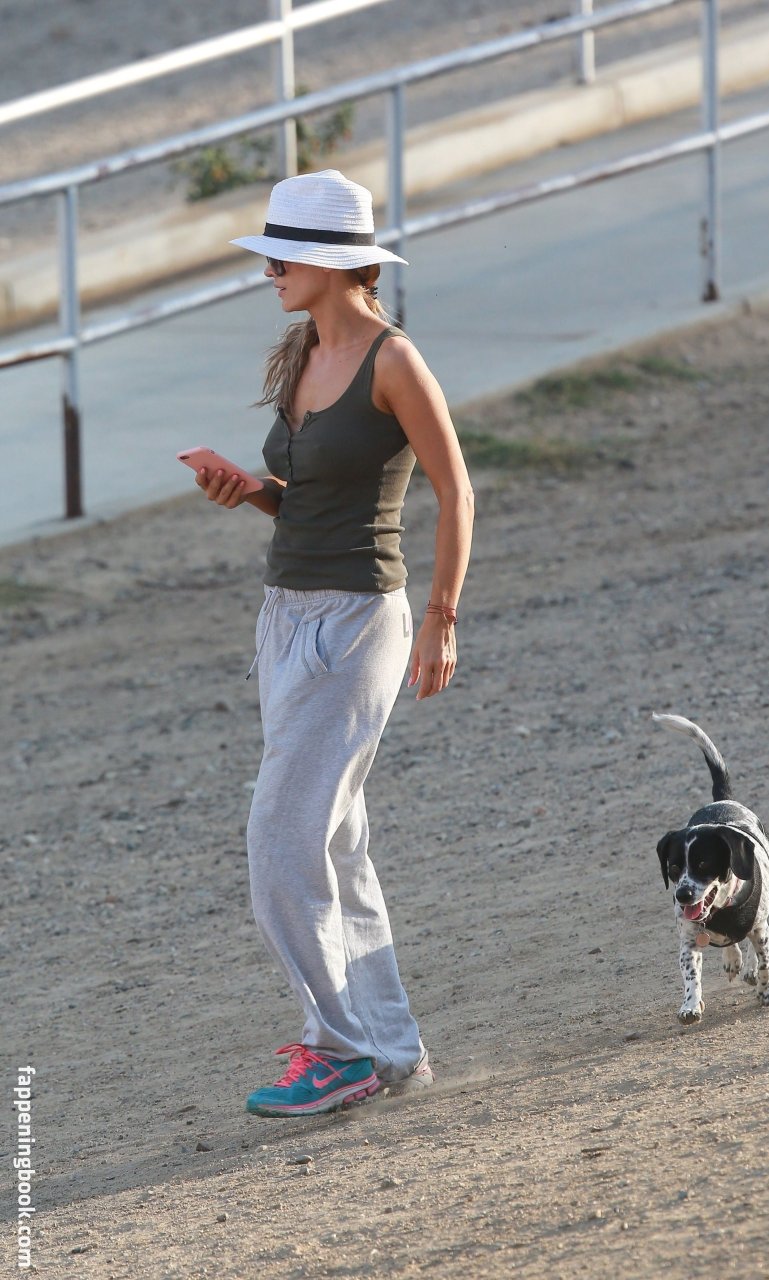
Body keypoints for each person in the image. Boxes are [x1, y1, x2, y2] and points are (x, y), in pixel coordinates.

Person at [195, 169, 474, 1117]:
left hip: (357, 625)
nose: (268, 270)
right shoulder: (302, 351)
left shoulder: (394, 361)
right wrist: (250, 491)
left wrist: (440, 619)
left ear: (331, 261)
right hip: (283, 619)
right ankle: (390, 1048)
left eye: (281, 256)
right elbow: (308, 501)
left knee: (280, 841)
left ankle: (338, 1048)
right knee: (336, 842)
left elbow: (455, 492)